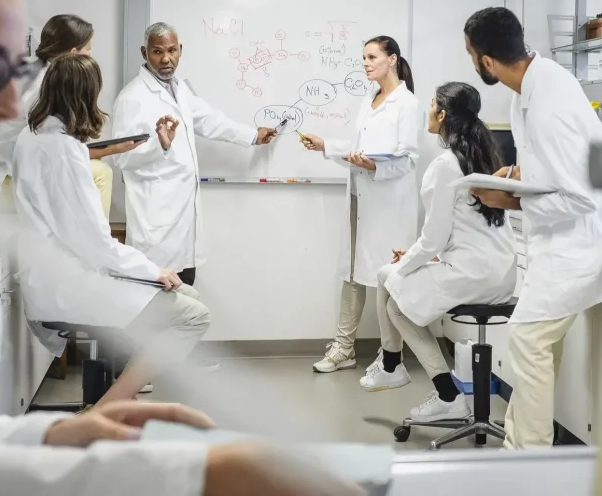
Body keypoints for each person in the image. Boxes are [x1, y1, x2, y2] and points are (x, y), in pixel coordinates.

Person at [0, 0, 361, 496]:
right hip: (109, 251)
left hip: (114, 250)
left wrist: (53, 437)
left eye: (16, 70)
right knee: (182, 312)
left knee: (179, 305)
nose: (8, 105)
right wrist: (183, 473)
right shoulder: (93, 121)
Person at [13, 54, 213, 405]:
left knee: (188, 297)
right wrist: (153, 270)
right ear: (84, 96)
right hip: (70, 281)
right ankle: (110, 405)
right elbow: (95, 242)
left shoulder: (33, 136)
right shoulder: (65, 150)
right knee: (194, 316)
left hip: (55, 272)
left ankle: (114, 396)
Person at [462, 7, 602, 449]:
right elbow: (551, 167)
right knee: (537, 346)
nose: (472, 62)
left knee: (528, 340)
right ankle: (526, 449)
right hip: (555, 242)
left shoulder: (549, 103)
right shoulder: (529, 87)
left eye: (471, 55)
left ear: (486, 61)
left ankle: (527, 457)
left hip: (577, 243)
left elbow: (580, 196)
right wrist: (515, 175)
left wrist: (508, 199)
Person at [361, 82, 516, 422]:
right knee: (394, 291)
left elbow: (433, 239)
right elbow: (463, 231)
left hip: (472, 274)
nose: (427, 112)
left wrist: (411, 261)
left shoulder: (445, 165)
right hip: (500, 274)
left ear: (443, 115)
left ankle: (403, 371)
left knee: (388, 278)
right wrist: (421, 257)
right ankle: (403, 371)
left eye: (431, 105)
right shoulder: (485, 156)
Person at [109, 22, 277, 287]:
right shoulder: (132, 98)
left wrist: (252, 135)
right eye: (157, 52)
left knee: (186, 284)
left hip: (184, 220)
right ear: (144, 52)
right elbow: (121, 158)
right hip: (156, 220)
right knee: (160, 297)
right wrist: (160, 145)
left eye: (172, 50)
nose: (166, 59)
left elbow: (210, 120)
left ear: (180, 50)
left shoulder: (179, 89)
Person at [301, 36, 421, 374]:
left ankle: (391, 355)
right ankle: (344, 348)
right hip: (360, 198)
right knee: (352, 273)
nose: (365, 63)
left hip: (389, 205)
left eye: (372, 57)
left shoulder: (407, 104)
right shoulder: (369, 98)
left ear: (392, 59)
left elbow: (409, 159)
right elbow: (359, 147)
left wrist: (375, 166)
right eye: (363, 58)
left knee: (390, 277)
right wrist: (326, 146)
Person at [0, 13, 137, 218]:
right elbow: (59, 152)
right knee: (101, 173)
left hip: (13, 170)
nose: (91, 56)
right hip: (14, 176)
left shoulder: (37, 75)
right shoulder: (47, 87)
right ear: (73, 54)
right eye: (88, 49)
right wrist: (111, 149)